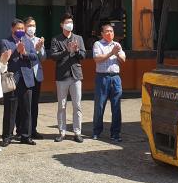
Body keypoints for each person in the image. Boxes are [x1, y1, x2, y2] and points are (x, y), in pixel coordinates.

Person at [1, 19, 39, 147]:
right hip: (12, 80)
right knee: (10, 110)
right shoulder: (5, 42)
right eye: (18, 28)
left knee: (26, 109)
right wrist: (17, 51)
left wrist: (25, 53)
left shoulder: (28, 41)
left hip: (27, 80)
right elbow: (4, 59)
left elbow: (35, 57)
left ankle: (26, 136)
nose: (21, 31)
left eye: (22, 28)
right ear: (12, 29)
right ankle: (7, 136)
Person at [49, 13, 86, 143]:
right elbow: (53, 56)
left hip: (76, 76)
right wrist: (66, 51)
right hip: (62, 77)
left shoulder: (78, 38)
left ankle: (77, 132)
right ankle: (62, 132)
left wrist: (76, 51)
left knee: (77, 105)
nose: (70, 24)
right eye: (67, 22)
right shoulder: (56, 39)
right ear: (62, 25)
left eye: (71, 22)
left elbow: (83, 55)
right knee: (62, 106)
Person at [92, 24, 126, 142]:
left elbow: (123, 60)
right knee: (100, 105)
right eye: (107, 31)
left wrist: (117, 53)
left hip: (115, 78)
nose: (110, 33)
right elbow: (97, 58)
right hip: (102, 77)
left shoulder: (117, 45)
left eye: (111, 31)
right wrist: (111, 53)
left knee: (116, 107)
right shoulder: (98, 44)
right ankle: (96, 131)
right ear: (102, 33)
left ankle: (115, 134)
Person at [22, 17, 45, 140]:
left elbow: (43, 58)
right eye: (30, 25)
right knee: (24, 105)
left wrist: (40, 49)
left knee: (34, 104)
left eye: (34, 25)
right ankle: (21, 130)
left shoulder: (38, 40)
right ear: (25, 27)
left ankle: (33, 129)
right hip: (25, 76)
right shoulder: (22, 39)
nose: (32, 28)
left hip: (36, 75)